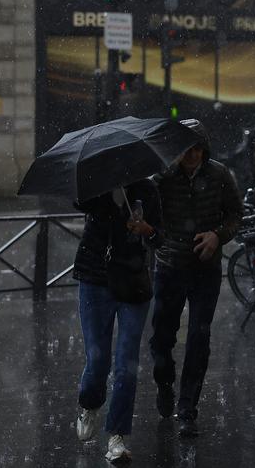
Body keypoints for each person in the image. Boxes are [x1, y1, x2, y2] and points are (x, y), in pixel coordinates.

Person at [148, 119, 244, 437]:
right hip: (169, 267)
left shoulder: (218, 175)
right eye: (186, 149)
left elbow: (235, 214)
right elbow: (145, 210)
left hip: (206, 269)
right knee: (162, 337)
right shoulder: (162, 177)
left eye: (197, 149)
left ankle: (188, 407)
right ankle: (164, 382)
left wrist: (217, 236)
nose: (192, 155)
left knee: (199, 339)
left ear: (205, 149)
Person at [72, 179, 162, 464]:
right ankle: (89, 404)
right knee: (97, 361)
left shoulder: (147, 190)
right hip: (95, 278)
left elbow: (161, 236)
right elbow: (78, 202)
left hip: (133, 281)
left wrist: (147, 230)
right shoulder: (97, 186)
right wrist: (103, 191)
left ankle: (117, 436)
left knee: (126, 365)